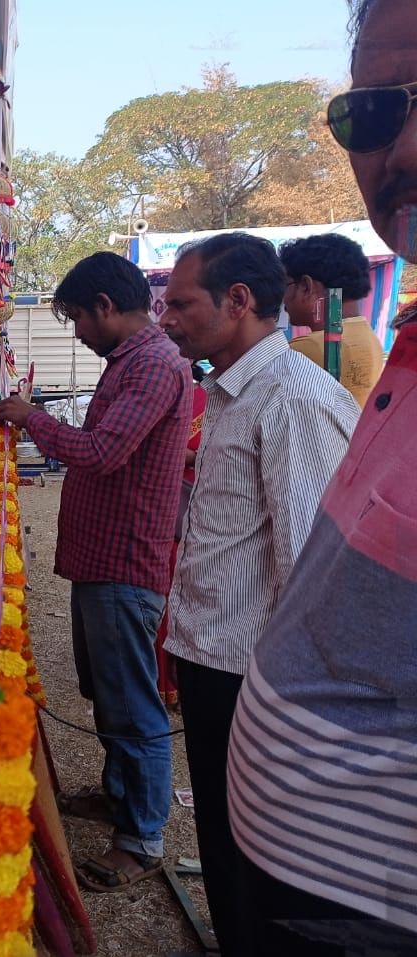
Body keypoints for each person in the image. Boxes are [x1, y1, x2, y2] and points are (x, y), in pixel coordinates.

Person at [227, 1, 417, 951]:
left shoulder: (307, 382)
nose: (404, 145)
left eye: (180, 303)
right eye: (374, 114)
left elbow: (292, 525)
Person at [158, 232, 358, 952]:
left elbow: (313, 574)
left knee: (263, 861)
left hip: (259, 682)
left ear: (238, 301)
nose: (167, 319)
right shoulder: (237, 387)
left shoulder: (293, 399)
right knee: (227, 843)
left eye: (181, 303)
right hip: (221, 667)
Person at [0, 251, 191, 891]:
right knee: (107, 692)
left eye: (77, 317)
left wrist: (34, 420)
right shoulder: (131, 363)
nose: (76, 330)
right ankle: (117, 796)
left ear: (105, 307)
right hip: (103, 559)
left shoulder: (154, 367)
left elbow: (102, 453)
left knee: (132, 704)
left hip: (125, 563)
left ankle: (140, 838)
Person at [154, 361, 208, 708]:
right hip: (167, 509)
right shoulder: (167, 395)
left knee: (176, 598)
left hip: (185, 507)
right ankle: (165, 682)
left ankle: (171, 681)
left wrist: (175, 455)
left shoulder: (205, 397)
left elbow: (207, 452)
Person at [281, 232, 384, 408]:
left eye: (285, 285)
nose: (282, 298)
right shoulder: (369, 335)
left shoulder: (307, 349)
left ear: (306, 287)